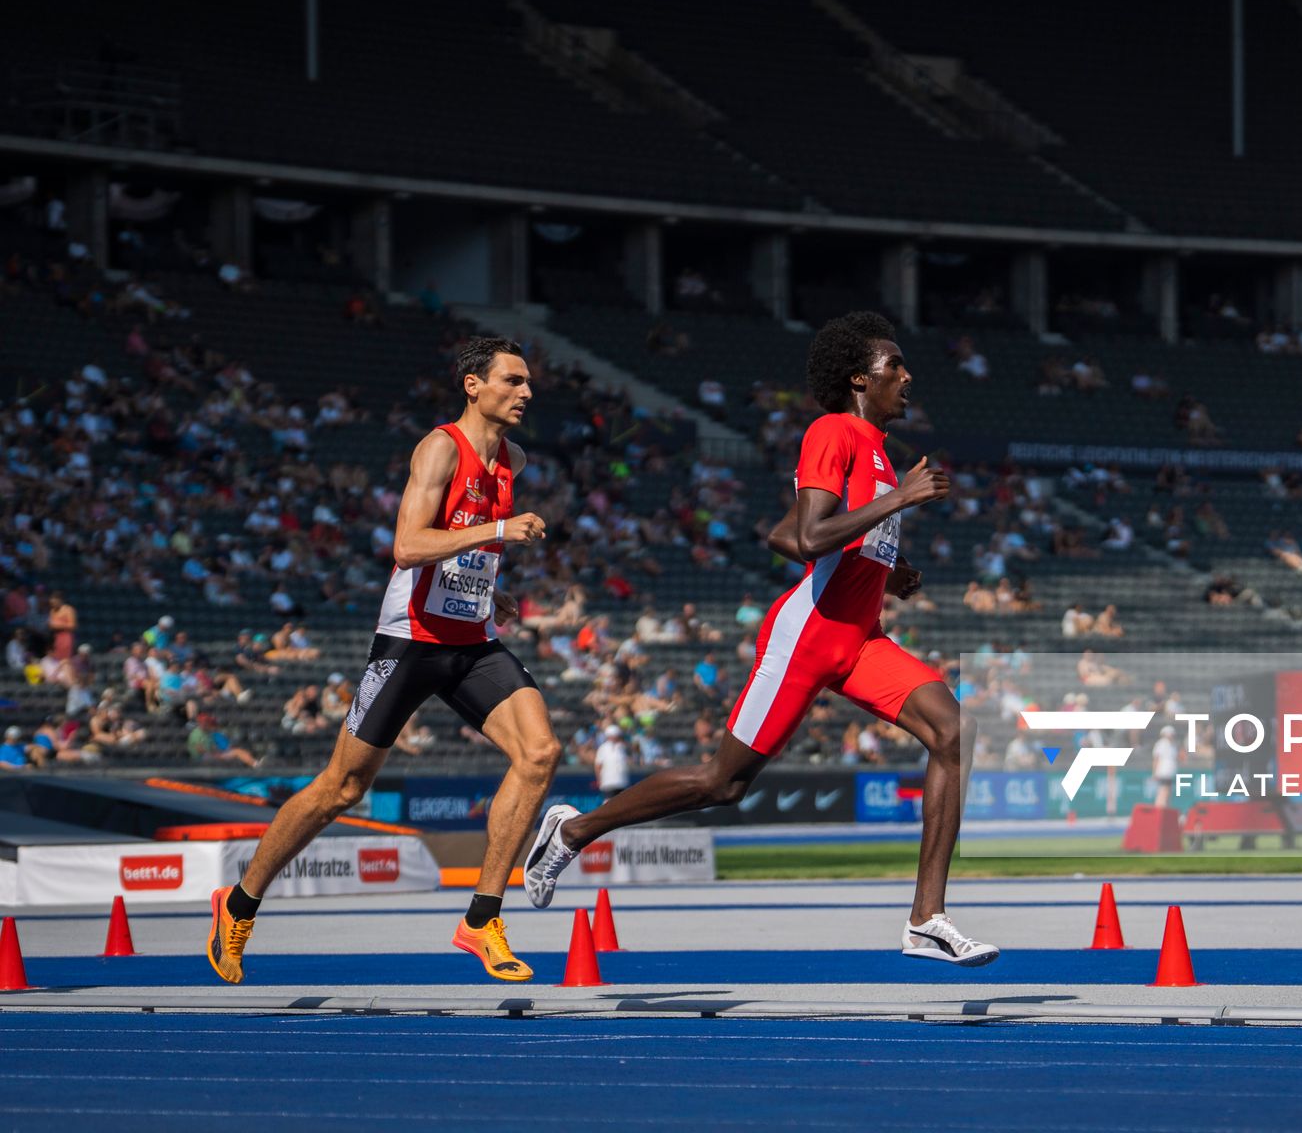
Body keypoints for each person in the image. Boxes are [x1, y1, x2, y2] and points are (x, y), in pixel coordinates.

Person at [521, 312, 997, 965]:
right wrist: (899, 503)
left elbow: (782, 534)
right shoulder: (834, 431)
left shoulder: (878, 450)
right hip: (809, 636)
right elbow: (805, 539)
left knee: (953, 730)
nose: (908, 377)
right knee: (723, 784)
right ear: (860, 377)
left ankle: (926, 919)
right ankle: (574, 829)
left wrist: (886, 564)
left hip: (860, 640)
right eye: (896, 366)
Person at [207, 338, 563, 986]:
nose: (527, 392)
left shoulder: (512, 458)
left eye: (528, 382)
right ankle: (239, 902)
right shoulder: (438, 448)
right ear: (473, 386)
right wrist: (497, 534)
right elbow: (407, 545)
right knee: (343, 788)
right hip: (410, 640)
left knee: (540, 753)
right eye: (513, 381)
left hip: (472, 638)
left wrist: (490, 584)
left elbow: (458, 546)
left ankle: (482, 919)